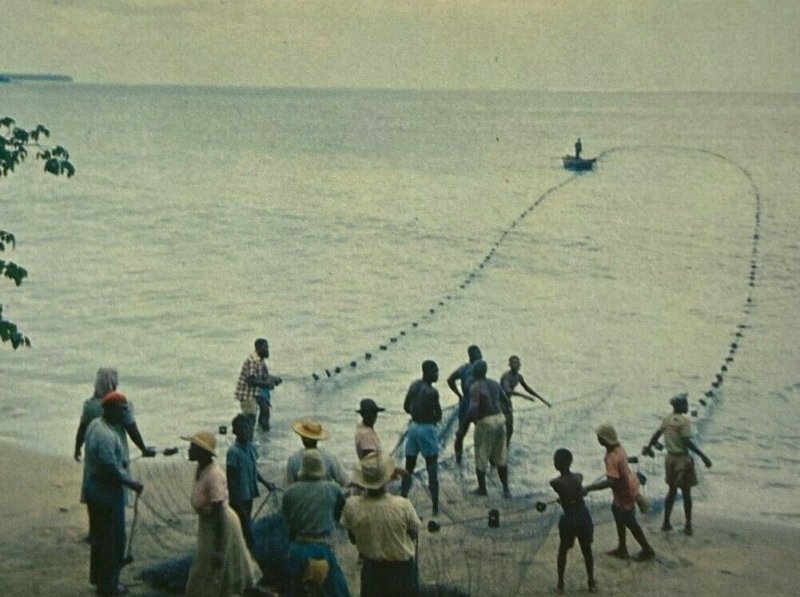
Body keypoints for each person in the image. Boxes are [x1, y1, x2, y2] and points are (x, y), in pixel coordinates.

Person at [74, 368, 155, 540]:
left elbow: (81, 429)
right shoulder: (121, 406)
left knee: (94, 492)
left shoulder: (90, 406)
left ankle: (93, 531)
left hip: (93, 456)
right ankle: (111, 533)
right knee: (114, 489)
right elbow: (132, 428)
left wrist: (77, 447)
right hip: (114, 452)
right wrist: (143, 449)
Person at [182, 430, 262, 596]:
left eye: (192, 447)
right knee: (213, 567)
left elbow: (218, 510)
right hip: (208, 524)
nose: (189, 450)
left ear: (202, 452)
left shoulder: (214, 474)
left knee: (224, 566)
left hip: (222, 523)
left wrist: (219, 547)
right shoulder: (201, 468)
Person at [82, 391, 144, 596]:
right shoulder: (106, 435)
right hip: (105, 493)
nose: (124, 414)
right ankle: (109, 587)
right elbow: (111, 470)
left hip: (94, 488)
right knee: (113, 540)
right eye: (121, 409)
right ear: (109, 409)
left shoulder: (96, 425)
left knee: (100, 538)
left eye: (126, 409)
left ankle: (100, 580)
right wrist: (132, 483)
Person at [343, 453, 421, 597]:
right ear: (388, 479)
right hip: (401, 571)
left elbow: (353, 538)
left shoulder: (352, 506)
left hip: (371, 570)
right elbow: (414, 532)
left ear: (362, 482)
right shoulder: (403, 505)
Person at [281, 449, 350, 597]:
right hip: (322, 548)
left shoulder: (289, 492)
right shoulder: (333, 489)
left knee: (295, 590)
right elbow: (339, 511)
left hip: (297, 547)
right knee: (337, 592)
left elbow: (286, 519)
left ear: (302, 468)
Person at [643, 392, 712, 536]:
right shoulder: (684, 421)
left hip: (669, 459)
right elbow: (687, 441)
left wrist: (649, 447)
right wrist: (703, 456)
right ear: (679, 406)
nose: (687, 406)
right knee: (686, 493)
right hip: (682, 459)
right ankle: (687, 525)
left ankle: (666, 523)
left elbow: (656, 435)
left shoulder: (667, 419)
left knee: (672, 491)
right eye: (685, 404)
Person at [584, 424, 655, 562]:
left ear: (604, 439)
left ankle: (647, 549)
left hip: (624, 491)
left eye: (599, 437)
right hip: (630, 485)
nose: (598, 439)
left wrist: (590, 488)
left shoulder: (610, 457)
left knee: (629, 521)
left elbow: (610, 481)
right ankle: (622, 547)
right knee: (618, 513)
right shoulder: (619, 448)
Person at [227, 414, 277, 551]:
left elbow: (254, 470)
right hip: (239, 497)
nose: (244, 431)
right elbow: (230, 478)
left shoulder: (251, 448)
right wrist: (234, 498)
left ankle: (244, 549)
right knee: (241, 525)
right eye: (240, 429)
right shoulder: (233, 452)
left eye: (246, 428)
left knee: (246, 522)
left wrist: (266, 484)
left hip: (249, 493)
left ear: (250, 430)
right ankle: (245, 550)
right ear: (234, 432)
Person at [549, 448, 595, 594]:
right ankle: (591, 582)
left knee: (563, 550)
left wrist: (563, 499)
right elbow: (577, 483)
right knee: (587, 550)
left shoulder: (555, 482)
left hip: (570, 518)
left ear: (556, 465)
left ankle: (560, 584)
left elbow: (563, 491)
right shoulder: (578, 477)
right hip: (583, 516)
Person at [401, 360, 442, 516]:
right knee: (432, 468)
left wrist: (415, 413)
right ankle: (435, 507)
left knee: (408, 467)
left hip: (413, 429)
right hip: (427, 429)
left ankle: (403, 498)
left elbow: (405, 407)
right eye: (434, 371)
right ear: (426, 372)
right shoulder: (432, 392)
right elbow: (438, 415)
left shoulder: (414, 385)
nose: (437, 374)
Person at [466, 360, 512, 498]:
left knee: (481, 454)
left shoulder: (475, 387)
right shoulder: (495, 384)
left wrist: (470, 422)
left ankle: (482, 489)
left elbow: (473, 408)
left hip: (485, 423)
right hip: (499, 419)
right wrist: (505, 416)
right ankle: (506, 490)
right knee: (501, 455)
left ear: (475, 372)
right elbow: (506, 402)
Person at [499, 355, 551, 447]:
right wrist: (524, 396)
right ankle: (500, 448)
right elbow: (507, 390)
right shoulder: (506, 376)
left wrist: (542, 400)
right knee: (502, 428)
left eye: (518, 363)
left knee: (510, 430)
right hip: (499, 403)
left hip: (508, 404)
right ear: (510, 365)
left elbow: (527, 388)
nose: (517, 365)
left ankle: (505, 448)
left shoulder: (519, 377)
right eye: (514, 363)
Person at [235, 338, 283, 432]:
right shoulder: (253, 361)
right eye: (265, 347)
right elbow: (250, 380)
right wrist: (267, 384)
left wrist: (274, 379)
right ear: (258, 348)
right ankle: (249, 440)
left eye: (267, 347)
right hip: (247, 395)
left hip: (257, 393)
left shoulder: (260, 361)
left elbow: (264, 376)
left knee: (265, 411)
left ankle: (263, 438)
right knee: (251, 418)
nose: (267, 350)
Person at [446, 345, 482, 465]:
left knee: (477, 433)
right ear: (470, 356)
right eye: (477, 353)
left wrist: (460, 395)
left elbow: (450, 380)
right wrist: (459, 395)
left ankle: (479, 460)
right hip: (471, 403)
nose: (480, 354)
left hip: (470, 403)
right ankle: (459, 460)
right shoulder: (468, 368)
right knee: (461, 433)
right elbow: (450, 380)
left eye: (479, 352)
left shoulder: (468, 368)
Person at [286, 419, 349, 488]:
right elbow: (345, 482)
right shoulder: (330, 458)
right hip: (325, 496)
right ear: (317, 439)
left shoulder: (293, 459)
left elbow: (288, 486)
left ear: (303, 438)